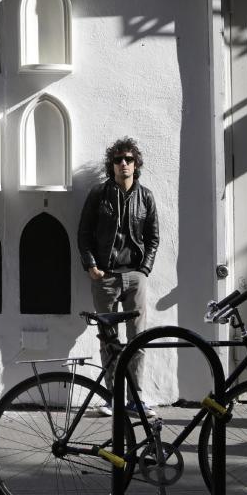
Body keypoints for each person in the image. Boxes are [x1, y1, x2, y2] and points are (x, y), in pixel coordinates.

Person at [78, 137, 159, 417]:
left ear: (136, 165)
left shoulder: (145, 196)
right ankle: (114, 398)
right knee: (108, 338)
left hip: (135, 277)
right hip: (106, 277)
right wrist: (90, 265)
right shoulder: (99, 194)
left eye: (128, 159)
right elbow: (84, 233)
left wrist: (144, 269)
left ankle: (136, 399)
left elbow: (153, 237)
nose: (123, 164)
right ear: (111, 165)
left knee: (138, 338)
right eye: (118, 159)